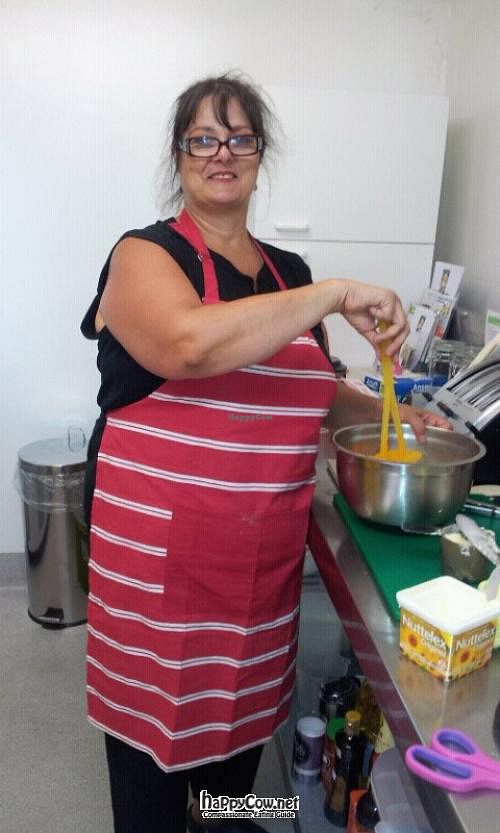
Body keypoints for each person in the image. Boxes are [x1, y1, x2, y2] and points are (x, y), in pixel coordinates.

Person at [81, 72, 448, 833]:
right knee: (152, 781)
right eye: (204, 138)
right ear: (179, 155)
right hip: (159, 579)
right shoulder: (143, 258)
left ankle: (224, 819)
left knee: (237, 764)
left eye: (240, 136)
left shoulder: (288, 274)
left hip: (257, 574)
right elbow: (188, 344)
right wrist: (337, 294)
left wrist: (405, 421)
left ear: (260, 153)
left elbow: (307, 391)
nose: (223, 152)